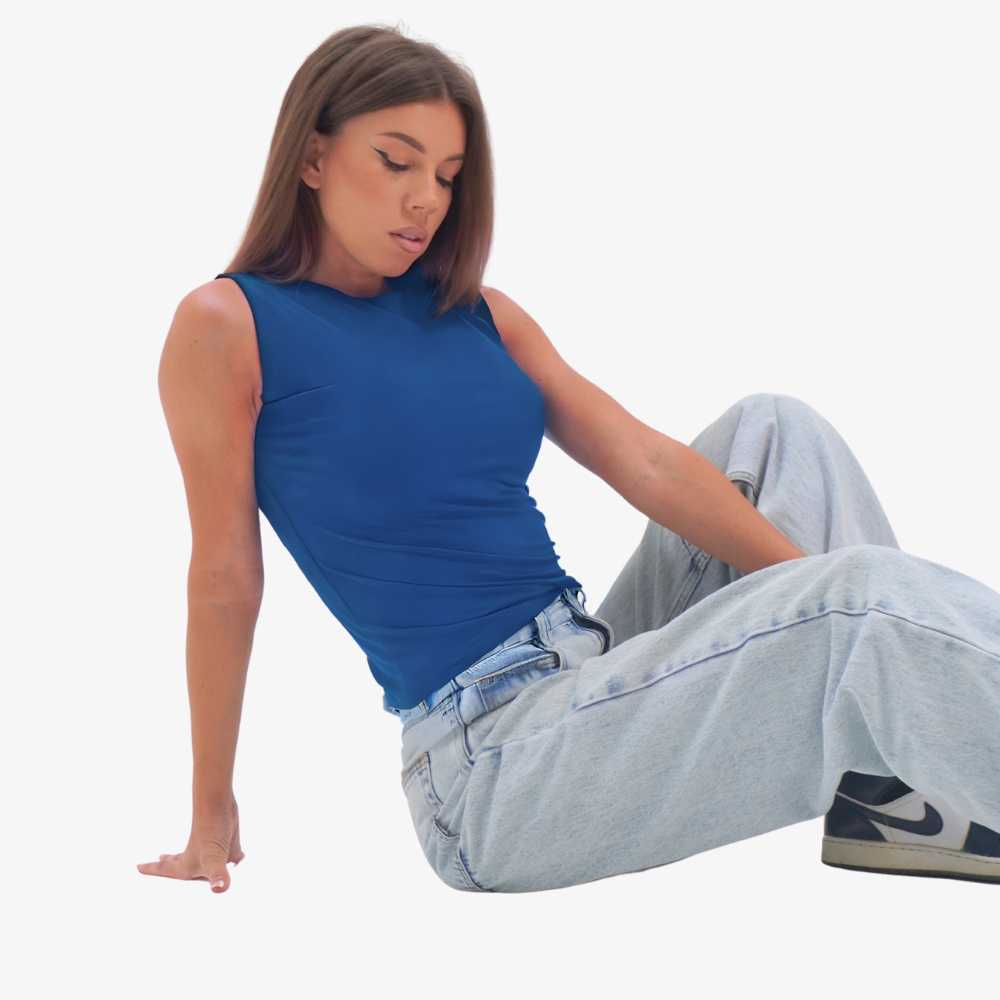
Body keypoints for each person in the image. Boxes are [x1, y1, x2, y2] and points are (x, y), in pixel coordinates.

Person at [139, 25, 1000, 894]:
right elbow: (223, 576)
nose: (425, 200)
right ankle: (911, 739)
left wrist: (814, 599)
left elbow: (645, 462)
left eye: (446, 174)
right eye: (396, 161)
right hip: (489, 765)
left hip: (587, 668)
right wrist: (212, 809)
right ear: (313, 157)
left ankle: (895, 791)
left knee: (776, 434)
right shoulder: (228, 324)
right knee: (856, 602)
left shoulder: (476, 312)